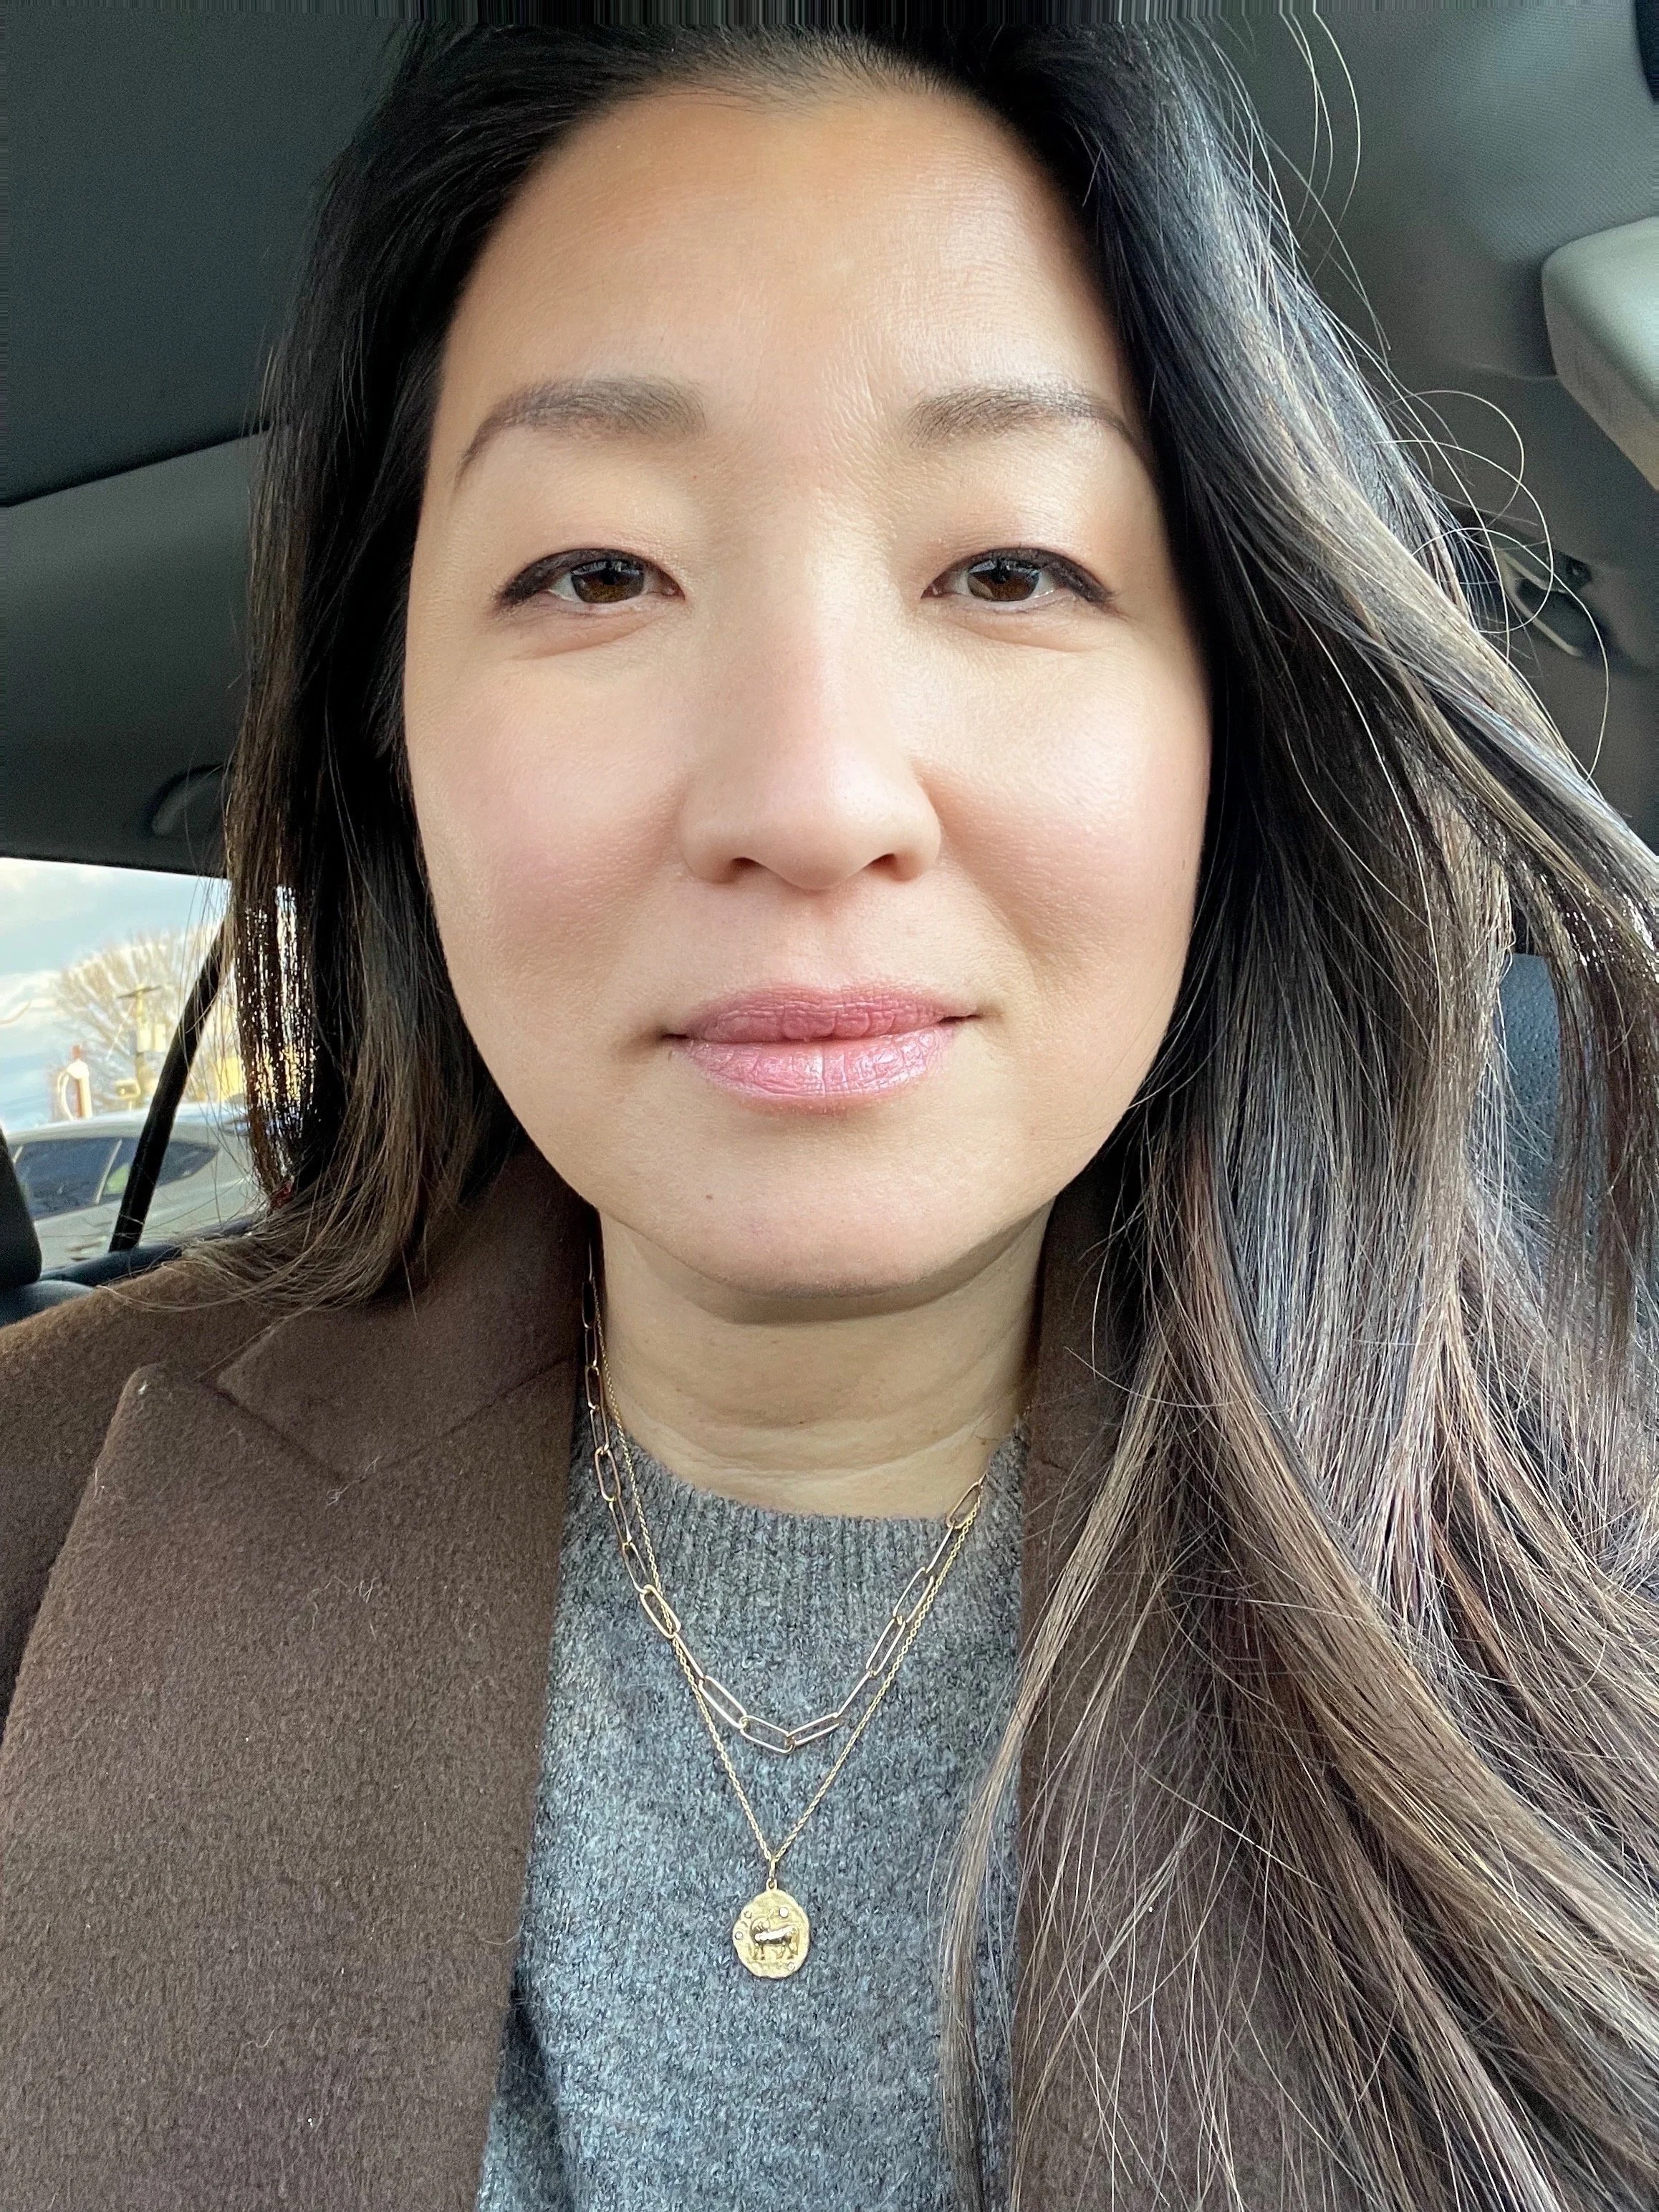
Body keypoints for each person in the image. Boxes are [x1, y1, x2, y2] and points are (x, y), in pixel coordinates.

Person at [2, 21, 1656, 2212]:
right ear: (391, 731)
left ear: (1223, 731)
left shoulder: (1589, 1555)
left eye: (1007, 569)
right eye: (595, 573)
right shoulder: (42, 1520)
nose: (808, 798)